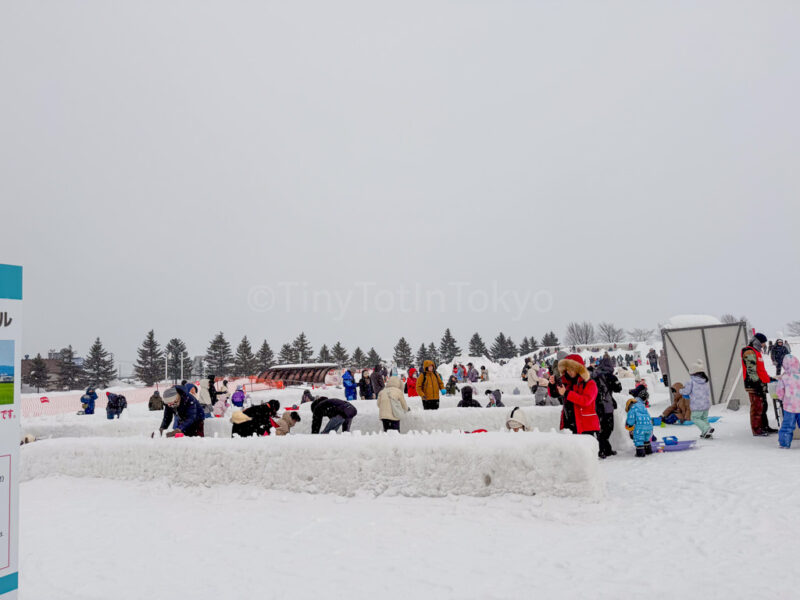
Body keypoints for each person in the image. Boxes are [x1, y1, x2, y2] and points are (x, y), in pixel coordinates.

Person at [556, 354, 600, 441]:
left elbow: (585, 401)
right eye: (567, 369)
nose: (569, 372)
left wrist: (567, 393)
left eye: (572, 369)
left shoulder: (590, 383)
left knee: (585, 452)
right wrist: (552, 384)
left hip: (585, 426)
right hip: (571, 424)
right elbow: (554, 394)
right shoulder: (568, 383)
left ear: (579, 369)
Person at [741, 333, 777, 436]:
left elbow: (760, 370)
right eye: (763, 343)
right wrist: (757, 384)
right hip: (754, 385)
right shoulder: (749, 351)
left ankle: (765, 427)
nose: (764, 345)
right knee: (757, 408)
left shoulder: (756, 352)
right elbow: (751, 370)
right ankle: (757, 430)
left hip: (761, 384)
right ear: (757, 341)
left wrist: (768, 378)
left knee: (763, 406)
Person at [592, 355, 622, 458]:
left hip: (595, 406)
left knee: (599, 429)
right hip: (606, 405)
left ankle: (605, 449)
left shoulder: (594, 375)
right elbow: (618, 388)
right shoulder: (610, 376)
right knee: (607, 428)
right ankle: (602, 450)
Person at [681, 360, 714, 439]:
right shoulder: (705, 381)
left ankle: (706, 429)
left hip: (697, 405)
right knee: (703, 419)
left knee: (695, 418)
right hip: (706, 404)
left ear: (692, 372)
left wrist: (680, 391)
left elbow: (686, 391)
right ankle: (706, 433)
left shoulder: (691, 382)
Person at [777, 354, 800, 448]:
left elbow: (779, 392)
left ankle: (784, 444)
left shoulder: (784, 378)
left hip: (789, 406)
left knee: (787, 426)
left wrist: (783, 399)